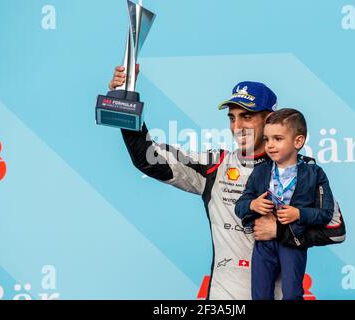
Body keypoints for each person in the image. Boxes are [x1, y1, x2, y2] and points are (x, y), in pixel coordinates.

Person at [109, 66, 282, 299]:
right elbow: (148, 158)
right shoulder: (216, 164)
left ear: (270, 119)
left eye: (247, 117)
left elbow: (335, 230)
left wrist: (281, 230)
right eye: (232, 118)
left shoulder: (298, 170)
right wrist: (124, 99)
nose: (237, 127)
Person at [235, 108, 335, 300]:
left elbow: (325, 214)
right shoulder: (260, 172)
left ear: (298, 141)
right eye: (267, 139)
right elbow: (240, 206)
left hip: (293, 243)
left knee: (291, 294)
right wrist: (252, 205)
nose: (270, 145)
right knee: (260, 295)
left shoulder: (315, 174)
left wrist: (299, 214)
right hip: (263, 244)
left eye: (278, 139)